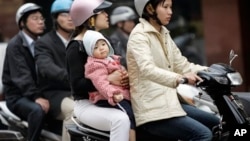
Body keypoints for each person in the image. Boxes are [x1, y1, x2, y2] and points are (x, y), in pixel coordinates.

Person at [127, 0, 220, 141]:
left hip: (170, 104)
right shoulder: (139, 36)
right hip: (153, 109)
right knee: (203, 135)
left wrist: (212, 70)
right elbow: (147, 69)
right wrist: (178, 78)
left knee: (217, 124)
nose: (170, 12)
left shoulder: (164, 33)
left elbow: (182, 65)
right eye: (165, 7)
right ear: (150, 8)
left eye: (171, 7)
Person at [67, 0, 132, 141]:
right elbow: (77, 85)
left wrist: (123, 77)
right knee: (120, 120)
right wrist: (108, 79)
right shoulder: (76, 46)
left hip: (112, 98)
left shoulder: (105, 40)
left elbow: (116, 68)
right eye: (102, 12)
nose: (107, 15)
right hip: (87, 104)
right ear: (90, 18)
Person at [2, 3, 48, 141]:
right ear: (22, 23)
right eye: (35, 18)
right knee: (37, 111)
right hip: (17, 96)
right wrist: (36, 97)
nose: (40, 21)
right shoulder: (15, 45)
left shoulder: (43, 43)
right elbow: (22, 76)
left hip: (39, 92)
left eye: (41, 18)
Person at [83, 30, 136, 141]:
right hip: (107, 97)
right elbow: (101, 83)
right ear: (90, 52)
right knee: (128, 114)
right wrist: (113, 94)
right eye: (96, 47)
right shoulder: (95, 65)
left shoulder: (112, 59)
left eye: (103, 44)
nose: (101, 48)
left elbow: (120, 72)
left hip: (121, 95)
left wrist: (124, 74)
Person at [34, 0, 74, 140]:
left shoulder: (80, 40)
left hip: (80, 91)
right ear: (56, 18)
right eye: (65, 14)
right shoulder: (44, 42)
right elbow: (46, 68)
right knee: (74, 111)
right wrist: (73, 77)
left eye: (73, 14)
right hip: (56, 94)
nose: (70, 17)